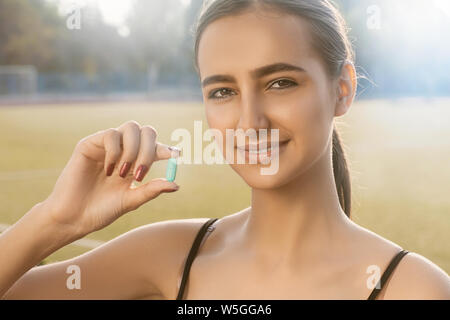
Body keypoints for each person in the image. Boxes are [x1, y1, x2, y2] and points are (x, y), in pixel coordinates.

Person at [1, 0, 449, 300]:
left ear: (343, 89)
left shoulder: (411, 288)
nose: (249, 122)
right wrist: (53, 220)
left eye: (280, 83)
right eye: (222, 92)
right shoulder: (171, 253)